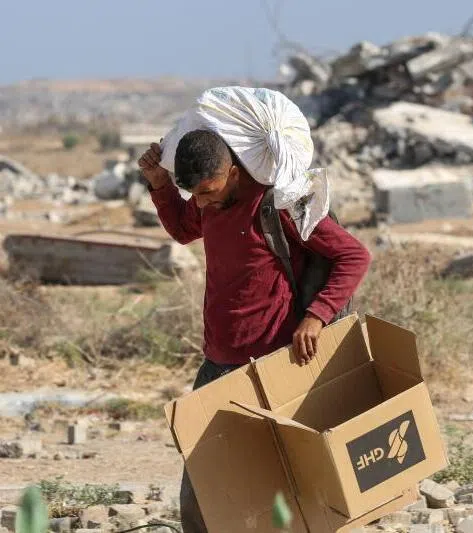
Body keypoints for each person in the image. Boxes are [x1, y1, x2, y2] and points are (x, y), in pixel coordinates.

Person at [138, 129, 371, 533]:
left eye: (209, 191)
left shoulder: (275, 205)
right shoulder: (207, 202)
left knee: (285, 479)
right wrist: (160, 186)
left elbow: (354, 255)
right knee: (202, 481)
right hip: (217, 364)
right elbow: (182, 230)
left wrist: (316, 316)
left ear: (233, 172)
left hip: (272, 364)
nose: (204, 203)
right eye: (197, 195)